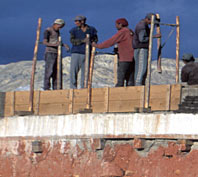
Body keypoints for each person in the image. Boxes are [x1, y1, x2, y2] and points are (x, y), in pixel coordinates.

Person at [92, 18, 134, 87]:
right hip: (132, 58)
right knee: (130, 79)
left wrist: (98, 46)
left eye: (116, 24)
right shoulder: (130, 32)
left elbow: (110, 41)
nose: (116, 26)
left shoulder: (122, 32)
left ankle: (118, 95)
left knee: (121, 78)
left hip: (124, 58)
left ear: (120, 24)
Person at [69, 15, 98, 89]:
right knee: (73, 71)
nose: (76, 23)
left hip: (87, 53)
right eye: (75, 21)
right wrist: (82, 41)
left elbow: (95, 39)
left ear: (82, 21)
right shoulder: (74, 30)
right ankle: (73, 88)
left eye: (77, 21)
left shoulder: (91, 29)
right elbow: (72, 41)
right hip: (76, 52)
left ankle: (84, 88)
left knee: (85, 72)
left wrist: (93, 43)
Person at [133, 13, 161, 86]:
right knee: (141, 67)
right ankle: (138, 84)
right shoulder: (142, 27)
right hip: (141, 48)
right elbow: (142, 39)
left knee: (142, 67)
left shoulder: (143, 25)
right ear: (147, 19)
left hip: (141, 48)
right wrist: (154, 36)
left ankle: (139, 83)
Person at [43, 19, 69, 90]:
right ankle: (46, 87)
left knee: (56, 71)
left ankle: (56, 88)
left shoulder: (57, 31)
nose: (60, 28)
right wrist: (54, 45)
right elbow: (45, 42)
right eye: (60, 26)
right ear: (56, 24)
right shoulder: (48, 30)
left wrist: (64, 45)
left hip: (57, 53)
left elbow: (58, 42)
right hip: (50, 52)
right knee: (49, 71)